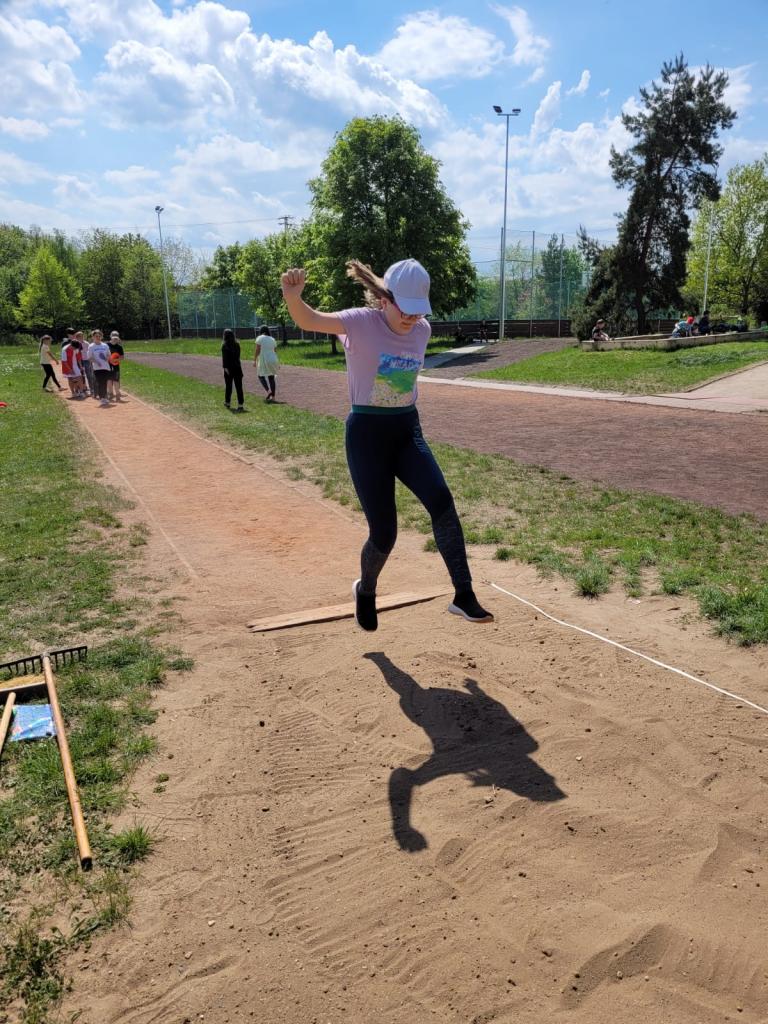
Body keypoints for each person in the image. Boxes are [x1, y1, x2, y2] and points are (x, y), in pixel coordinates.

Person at [280, 258, 493, 631]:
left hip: (406, 431)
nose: (412, 318)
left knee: (441, 501)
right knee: (385, 532)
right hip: (367, 436)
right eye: (405, 309)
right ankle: (366, 590)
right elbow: (309, 320)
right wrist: (292, 297)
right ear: (384, 299)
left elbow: (403, 377)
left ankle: (463, 594)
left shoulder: (422, 330)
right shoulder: (360, 322)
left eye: (418, 311)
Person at [221, 328, 245, 412]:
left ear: (225, 336)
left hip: (229, 369)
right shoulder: (237, 344)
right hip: (237, 368)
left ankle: (227, 402)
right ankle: (240, 405)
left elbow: (224, 359)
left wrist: (225, 368)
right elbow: (238, 357)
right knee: (239, 387)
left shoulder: (224, 345)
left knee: (228, 387)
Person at [254, 325, 279, 402]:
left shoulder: (259, 338)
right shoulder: (272, 339)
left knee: (260, 375)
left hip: (264, 359)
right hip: (273, 359)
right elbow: (275, 351)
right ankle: (273, 397)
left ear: (261, 331)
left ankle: (269, 391)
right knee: (271, 377)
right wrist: (277, 363)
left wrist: (254, 360)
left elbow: (257, 350)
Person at [89, 330, 112, 407]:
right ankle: (102, 398)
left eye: (99, 336)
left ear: (101, 337)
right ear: (93, 337)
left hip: (105, 367)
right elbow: (90, 357)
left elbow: (109, 354)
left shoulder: (105, 345)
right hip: (97, 368)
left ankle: (104, 396)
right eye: (96, 336)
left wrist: (107, 358)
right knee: (100, 382)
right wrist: (96, 362)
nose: (98, 337)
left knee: (104, 382)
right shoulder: (91, 346)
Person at [61, 334, 84, 398]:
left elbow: (78, 358)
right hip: (67, 366)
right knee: (70, 379)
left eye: (76, 348)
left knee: (79, 377)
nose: (74, 349)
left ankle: (81, 392)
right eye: (73, 348)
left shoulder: (76, 347)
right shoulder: (64, 349)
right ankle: (73, 393)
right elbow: (64, 361)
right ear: (71, 345)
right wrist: (70, 369)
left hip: (75, 365)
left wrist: (81, 366)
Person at [107, 331, 124, 402]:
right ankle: (110, 393)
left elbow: (122, 357)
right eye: (113, 337)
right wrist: (109, 359)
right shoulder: (106, 345)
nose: (115, 339)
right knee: (109, 380)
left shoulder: (119, 347)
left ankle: (117, 394)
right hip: (107, 365)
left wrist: (115, 360)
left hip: (116, 365)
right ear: (110, 337)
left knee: (116, 380)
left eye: (116, 338)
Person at [77, 330, 93, 396]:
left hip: (86, 360)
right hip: (79, 361)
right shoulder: (76, 344)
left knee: (89, 374)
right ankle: (82, 388)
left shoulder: (86, 343)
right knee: (80, 375)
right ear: (77, 337)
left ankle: (91, 388)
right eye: (79, 336)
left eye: (82, 336)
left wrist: (90, 360)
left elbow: (90, 352)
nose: (81, 337)